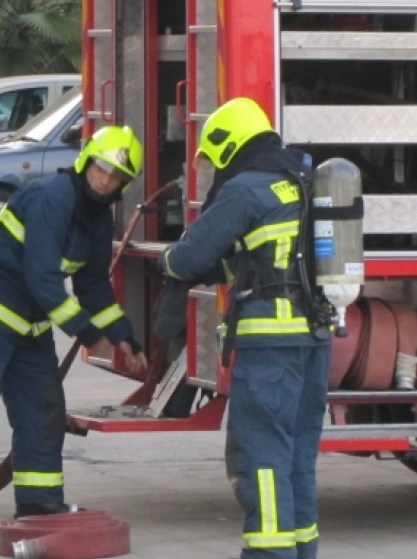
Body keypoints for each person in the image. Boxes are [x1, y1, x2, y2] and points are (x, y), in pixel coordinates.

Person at [0, 125, 148, 520]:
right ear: (87, 161)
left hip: (31, 320)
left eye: (116, 176)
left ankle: (38, 501)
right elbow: (43, 276)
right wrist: (86, 333)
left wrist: (124, 336)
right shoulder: (52, 198)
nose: (106, 180)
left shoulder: (99, 219)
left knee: (42, 408)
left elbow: (93, 286)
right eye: (102, 168)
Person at [157, 97, 329, 559]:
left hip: (269, 346)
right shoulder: (306, 182)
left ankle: (270, 555)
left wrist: (166, 260)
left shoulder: (247, 189)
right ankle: (301, 552)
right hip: (315, 342)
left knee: (262, 457)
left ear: (229, 144)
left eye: (215, 161)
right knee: (296, 457)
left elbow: (189, 257)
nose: (214, 173)